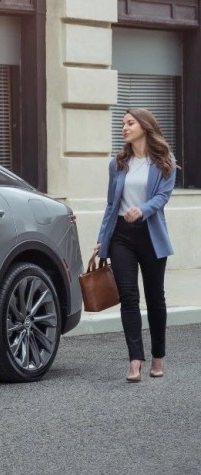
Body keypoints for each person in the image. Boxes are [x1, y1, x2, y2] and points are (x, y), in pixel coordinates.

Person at [95, 108, 176, 383]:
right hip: (121, 235)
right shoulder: (117, 163)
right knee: (128, 297)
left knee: (155, 298)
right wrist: (101, 239)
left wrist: (142, 209)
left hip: (151, 234)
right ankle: (135, 360)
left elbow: (163, 196)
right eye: (123, 124)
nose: (124, 128)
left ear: (144, 126)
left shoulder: (163, 161)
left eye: (130, 123)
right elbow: (111, 205)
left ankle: (158, 356)